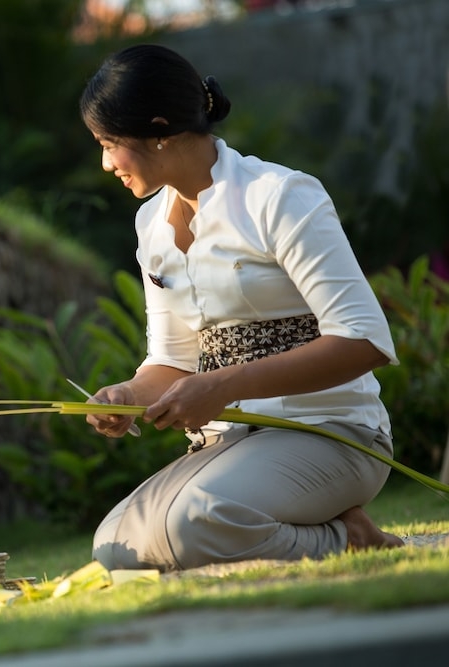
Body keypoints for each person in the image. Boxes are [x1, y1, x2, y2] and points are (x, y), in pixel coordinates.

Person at [78, 44, 404, 572]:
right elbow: (173, 360)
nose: (105, 162)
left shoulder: (280, 197)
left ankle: (348, 539)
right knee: (116, 548)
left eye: (110, 143)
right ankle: (336, 531)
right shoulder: (150, 227)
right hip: (227, 443)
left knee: (192, 525)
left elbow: (363, 342)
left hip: (330, 431)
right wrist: (128, 394)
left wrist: (225, 385)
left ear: (159, 129)